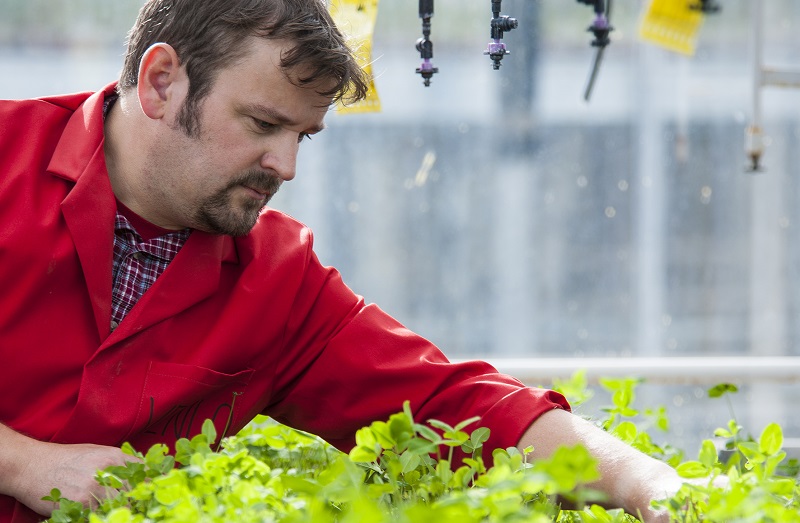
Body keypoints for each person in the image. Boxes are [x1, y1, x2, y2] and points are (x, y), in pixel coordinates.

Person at [0, 1, 686, 522]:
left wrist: (647, 484)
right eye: (264, 124)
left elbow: (453, 405)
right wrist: (26, 463)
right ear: (160, 82)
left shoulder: (278, 279)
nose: (287, 166)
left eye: (304, 134)